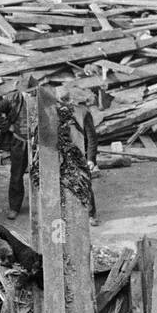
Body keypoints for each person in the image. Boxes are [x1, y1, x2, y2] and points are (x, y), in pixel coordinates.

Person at [0, 80, 35, 221]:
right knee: (16, 176)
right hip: (19, 142)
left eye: (32, 90)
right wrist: (7, 126)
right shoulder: (13, 99)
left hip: (38, 143)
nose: (30, 93)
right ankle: (14, 207)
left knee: (41, 175)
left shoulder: (42, 97)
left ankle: (42, 206)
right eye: (27, 91)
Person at [61, 90, 100, 227]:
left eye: (66, 101)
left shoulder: (83, 113)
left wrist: (91, 159)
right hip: (65, 154)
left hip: (81, 154)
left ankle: (91, 214)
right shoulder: (57, 113)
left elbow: (92, 138)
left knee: (85, 184)